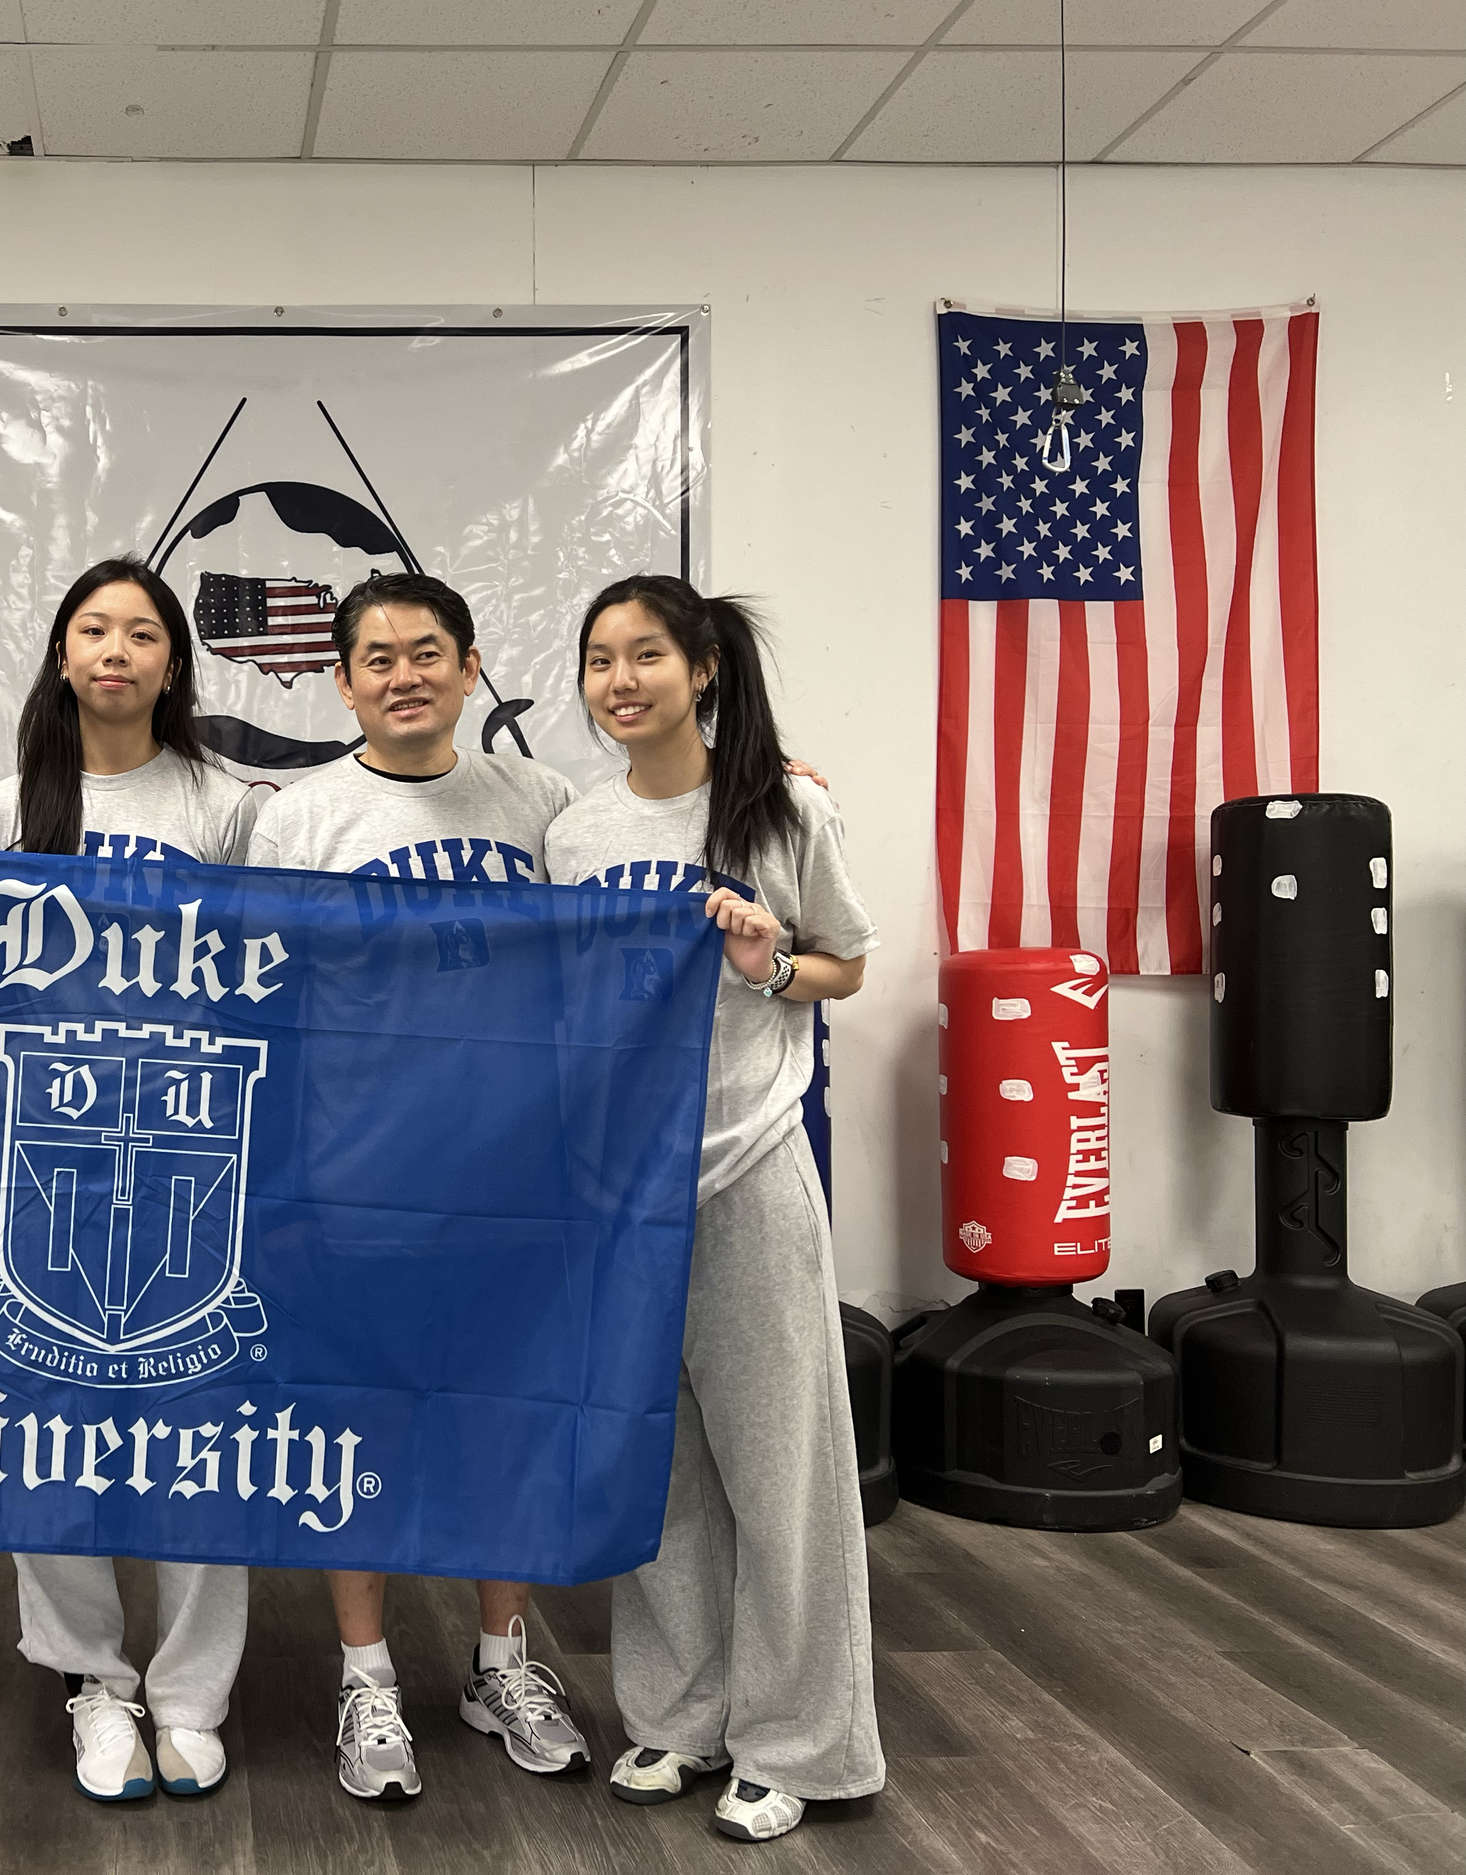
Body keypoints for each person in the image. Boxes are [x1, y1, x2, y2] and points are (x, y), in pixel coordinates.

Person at [543, 574, 884, 1846]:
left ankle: (799, 1742)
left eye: (644, 656)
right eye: (596, 660)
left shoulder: (785, 807)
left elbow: (847, 959)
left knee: (783, 1471)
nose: (618, 680)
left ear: (702, 671)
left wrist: (771, 963)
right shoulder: (572, 836)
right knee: (663, 1464)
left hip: (748, 1172)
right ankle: (679, 1721)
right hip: (619, 1198)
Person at [244, 570, 590, 1803]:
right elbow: (267, 1020)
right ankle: (367, 1674)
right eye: (377, 657)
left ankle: (502, 1661)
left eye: (426, 651)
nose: (403, 674)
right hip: (360, 1181)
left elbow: (659, 858)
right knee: (362, 1425)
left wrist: (771, 796)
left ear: (468, 663)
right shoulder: (298, 821)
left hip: (510, 1176)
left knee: (504, 1416)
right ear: (341, 680)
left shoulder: (541, 802)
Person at [0, 557, 259, 1802]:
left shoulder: (225, 803)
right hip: (47, 1155)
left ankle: (193, 1689)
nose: (117, 651)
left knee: (199, 1436)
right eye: (94, 629)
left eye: (143, 632)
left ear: (174, 662)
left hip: (198, 1148)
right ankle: (92, 1679)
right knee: (54, 1439)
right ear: (63, 654)